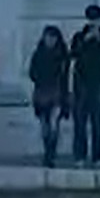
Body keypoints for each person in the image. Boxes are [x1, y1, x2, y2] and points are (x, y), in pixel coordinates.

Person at [70, 4, 100, 166]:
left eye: (97, 20)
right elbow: (73, 55)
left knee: (97, 123)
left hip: (98, 83)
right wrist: (85, 41)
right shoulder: (79, 36)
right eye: (92, 20)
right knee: (80, 123)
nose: (95, 23)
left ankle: (98, 157)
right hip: (81, 83)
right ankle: (79, 156)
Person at [28, 26, 70, 168]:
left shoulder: (62, 56)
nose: (50, 40)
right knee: (45, 125)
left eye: (53, 38)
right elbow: (32, 73)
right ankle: (49, 152)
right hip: (42, 93)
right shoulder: (39, 54)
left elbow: (65, 77)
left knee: (53, 125)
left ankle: (50, 154)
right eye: (48, 37)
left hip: (56, 93)